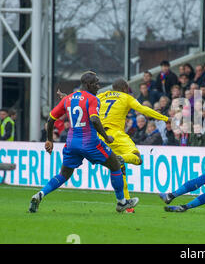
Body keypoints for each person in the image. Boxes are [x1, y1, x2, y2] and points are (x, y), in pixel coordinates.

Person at [29, 71, 139, 213]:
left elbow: (51, 119)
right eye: (96, 83)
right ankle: (122, 202)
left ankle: (39, 195)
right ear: (87, 85)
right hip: (90, 143)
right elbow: (94, 119)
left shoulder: (68, 99)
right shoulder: (93, 99)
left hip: (72, 143)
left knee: (63, 174)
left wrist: (49, 139)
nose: (98, 86)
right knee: (116, 165)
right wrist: (106, 137)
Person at [58, 78, 169, 213]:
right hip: (115, 134)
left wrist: (66, 98)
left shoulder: (102, 95)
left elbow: (82, 101)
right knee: (136, 157)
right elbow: (143, 109)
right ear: (124, 89)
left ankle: (127, 206)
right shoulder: (126, 97)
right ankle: (122, 158)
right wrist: (165, 118)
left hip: (99, 135)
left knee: (118, 169)